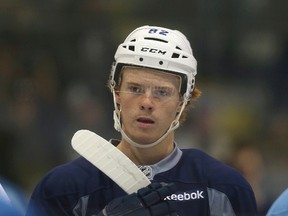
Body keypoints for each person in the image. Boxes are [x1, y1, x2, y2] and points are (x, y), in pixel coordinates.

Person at [25, 25, 257, 216]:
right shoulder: (62, 188)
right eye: (135, 88)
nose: (147, 102)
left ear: (182, 101)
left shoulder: (224, 187)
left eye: (162, 92)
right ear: (116, 92)